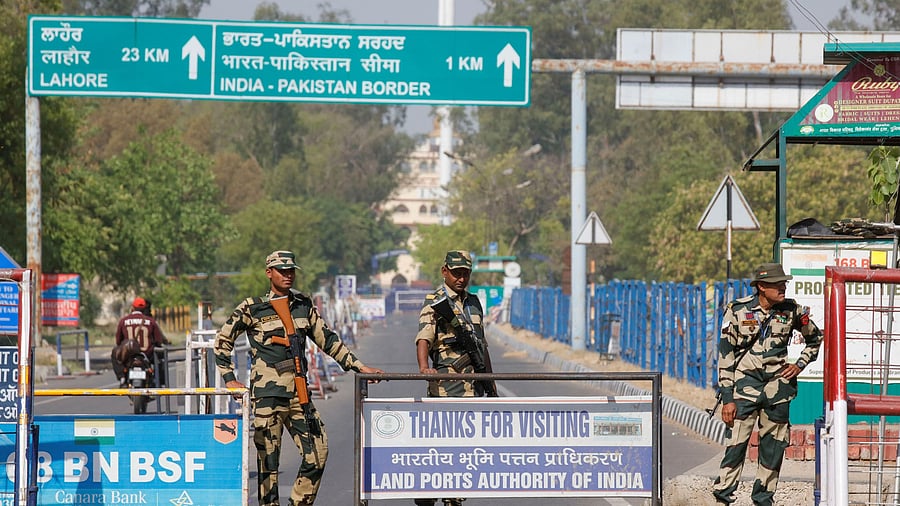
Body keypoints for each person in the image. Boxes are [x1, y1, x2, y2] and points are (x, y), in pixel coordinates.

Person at [213, 250, 384, 506]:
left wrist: (359, 366)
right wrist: (229, 378)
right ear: (269, 272)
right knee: (268, 466)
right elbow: (222, 341)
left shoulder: (303, 305)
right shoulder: (252, 307)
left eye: (291, 270)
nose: (288, 275)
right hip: (267, 397)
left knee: (318, 453)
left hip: (299, 395)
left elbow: (329, 340)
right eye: (282, 270)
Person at [712, 262, 823, 505]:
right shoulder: (738, 310)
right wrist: (728, 398)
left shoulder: (791, 310)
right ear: (762, 287)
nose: (783, 287)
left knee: (773, 450)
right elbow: (725, 355)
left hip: (778, 390)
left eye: (784, 283)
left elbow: (815, 339)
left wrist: (799, 364)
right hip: (743, 389)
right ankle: (723, 499)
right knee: (735, 448)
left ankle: (763, 499)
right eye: (777, 284)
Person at [414, 250, 494, 506]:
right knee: (440, 445)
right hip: (446, 387)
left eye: (465, 273)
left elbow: (482, 344)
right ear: (444, 271)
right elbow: (424, 337)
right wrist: (425, 368)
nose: (461, 278)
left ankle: (454, 497)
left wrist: (490, 384)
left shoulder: (474, 302)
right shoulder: (435, 301)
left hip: (473, 386)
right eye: (456, 273)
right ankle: (428, 490)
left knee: (466, 448)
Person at [112, 297, 170, 387]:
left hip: (130, 354)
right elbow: (158, 341)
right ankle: (159, 380)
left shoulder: (123, 321)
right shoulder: (151, 321)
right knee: (161, 355)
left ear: (132, 308)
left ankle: (122, 378)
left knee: (115, 353)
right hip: (147, 354)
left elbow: (118, 341)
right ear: (144, 309)